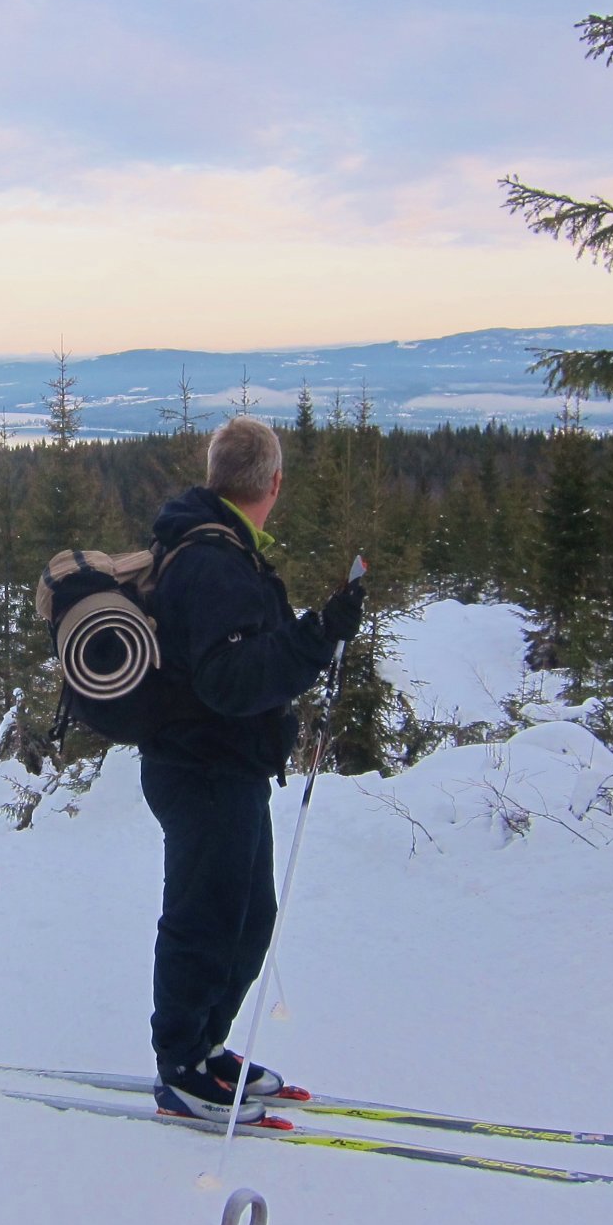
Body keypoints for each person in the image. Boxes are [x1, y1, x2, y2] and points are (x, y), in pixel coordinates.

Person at [141, 414, 364, 1123]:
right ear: (273, 482)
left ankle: (206, 1048)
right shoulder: (214, 561)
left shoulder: (222, 547)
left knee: (245, 916)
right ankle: (181, 1066)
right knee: (206, 919)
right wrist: (317, 636)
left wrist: (312, 635)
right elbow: (233, 682)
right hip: (201, 766)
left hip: (221, 765)